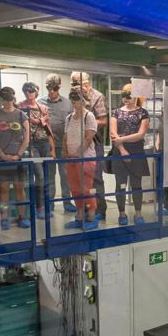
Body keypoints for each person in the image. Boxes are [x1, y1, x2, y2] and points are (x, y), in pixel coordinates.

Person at [109, 84, 150, 225]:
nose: (126, 98)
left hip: (136, 151)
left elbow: (140, 134)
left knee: (136, 184)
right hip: (119, 151)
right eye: (124, 95)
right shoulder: (116, 112)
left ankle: (138, 213)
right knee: (120, 184)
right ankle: (122, 213)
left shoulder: (143, 112)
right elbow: (113, 133)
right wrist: (122, 148)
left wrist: (121, 139)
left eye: (129, 95)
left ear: (136, 96)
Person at [71, 71, 108, 220]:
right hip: (76, 142)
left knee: (95, 178)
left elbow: (104, 121)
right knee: (79, 179)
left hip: (94, 142)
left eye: (76, 84)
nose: (73, 87)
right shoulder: (74, 96)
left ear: (86, 83)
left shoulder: (97, 96)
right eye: (72, 84)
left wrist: (87, 123)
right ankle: (84, 210)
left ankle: (99, 210)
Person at [0, 87, 31, 228]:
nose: (7, 102)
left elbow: (26, 138)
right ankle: (4, 218)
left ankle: (22, 216)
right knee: (3, 189)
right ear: (1, 99)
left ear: (13, 98)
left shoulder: (21, 116)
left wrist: (18, 155)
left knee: (19, 188)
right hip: (2, 158)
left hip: (17, 158)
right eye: (4, 99)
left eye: (9, 99)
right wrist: (2, 155)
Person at [62, 88, 98, 231]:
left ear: (83, 100)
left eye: (77, 98)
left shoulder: (89, 116)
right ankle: (80, 215)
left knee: (86, 188)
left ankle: (91, 216)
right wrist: (65, 153)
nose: (74, 101)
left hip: (85, 159)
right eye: (72, 98)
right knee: (75, 188)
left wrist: (78, 153)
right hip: (71, 159)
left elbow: (89, 138)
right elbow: (65, 137)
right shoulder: (68, 117)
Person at [37, 74, 74, 213]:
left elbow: (72, 125)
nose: (51, 91)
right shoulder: (39, 102)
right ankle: (50, 204)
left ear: (59, 87)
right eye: (48, 88)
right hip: (47, 146)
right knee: (49, 176)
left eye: (54, 88)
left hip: (63, 145)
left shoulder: (67, 103)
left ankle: (67, 202)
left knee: (65, 175)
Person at [19, 82, 53, 219]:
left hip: (43, 143)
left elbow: (48, 128)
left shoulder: (43, 107)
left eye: (31, 90)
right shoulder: (21, 106)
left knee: (45, 176)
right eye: (26, 91)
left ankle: (44, 205)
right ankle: (38, 207)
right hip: (31, 144)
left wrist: (52, 148)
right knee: (38, 176)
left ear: (36, 92)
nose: (29, 93)